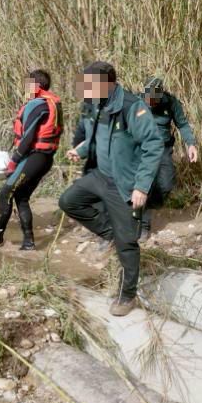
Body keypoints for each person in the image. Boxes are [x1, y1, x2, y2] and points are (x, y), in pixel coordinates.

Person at [61, 62, 163, 316]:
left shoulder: (131, 106)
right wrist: (81, 150)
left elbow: (153, 145)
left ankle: (127, 296)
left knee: (127, 242)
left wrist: (141, 186)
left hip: (123, 182)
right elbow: (97, 136)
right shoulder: (98, 103)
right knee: (69, 201)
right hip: (100, 175)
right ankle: (111, 235)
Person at [0, 69, 63, 251]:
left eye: (27, 85)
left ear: (36, 86)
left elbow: (28, 138)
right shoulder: (50, 103)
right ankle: (28, 243)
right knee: (21, 197)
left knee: (5, 192)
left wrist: (14, 161)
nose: (25, 88)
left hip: (35, 159)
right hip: (44, 159)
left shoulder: (38, 105)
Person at [139, 76, 198, 241]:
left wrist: (191, 144)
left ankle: (147, 207)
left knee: (166, 184)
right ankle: (143, 225)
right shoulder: (136, 102)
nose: (150, 102)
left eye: (154, 100)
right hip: (141, 150)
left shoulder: (170, 102)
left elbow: (183, 124)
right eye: (148, 99)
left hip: (163, 149)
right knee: (146, 184)